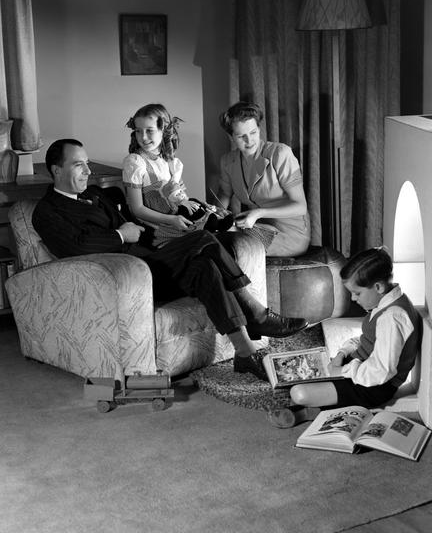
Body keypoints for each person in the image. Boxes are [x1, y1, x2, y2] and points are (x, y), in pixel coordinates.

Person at [32, 139, 309, 381]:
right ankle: (256, 313)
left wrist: (177, 223)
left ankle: (244, 350)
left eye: (87, 163)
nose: (88, 171)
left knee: (206, 261)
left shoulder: (95, 194)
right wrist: (120, 235)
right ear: (56, 170)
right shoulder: (47, 211)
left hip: (153, 263)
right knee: (201, 241)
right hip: (125, 280)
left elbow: (136, 222)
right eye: (79, 165)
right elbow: (76, 247)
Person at [289, 247, 422, 421]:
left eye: (357, 293)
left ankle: (311, 411)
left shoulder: (392, 317)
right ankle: (318, 405)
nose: (353, 298)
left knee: (298, 393)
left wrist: (342, 371)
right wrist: (342, 354)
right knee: (303, 371)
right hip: (358, 367)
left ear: (378, 287)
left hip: (374, 386)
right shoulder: (383, 304)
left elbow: (380, 371)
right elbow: (365, 339)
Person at [123, 103, 233, 248]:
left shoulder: (168, 161)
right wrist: (171, 220)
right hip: (158, 225)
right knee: (208, 241)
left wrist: (196, 205)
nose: (143, 137)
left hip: (176, 216)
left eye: (150, 131)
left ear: (164, 130)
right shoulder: (135, 162)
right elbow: (136, 209)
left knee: (223, 228)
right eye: (138, 131)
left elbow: (180, 199)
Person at [217, 101, 311, 256]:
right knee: (215, 238)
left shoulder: (280, 154)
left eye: (253, 133)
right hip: (257, 227)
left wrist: (258, 213)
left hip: (290, 234)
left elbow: (300, 206)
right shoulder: (228, 161)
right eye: (241, 136)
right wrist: (215, 214)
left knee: (233, 246)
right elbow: (224, 195)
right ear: (231, 136)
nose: (249, 141)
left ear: (259, 129)